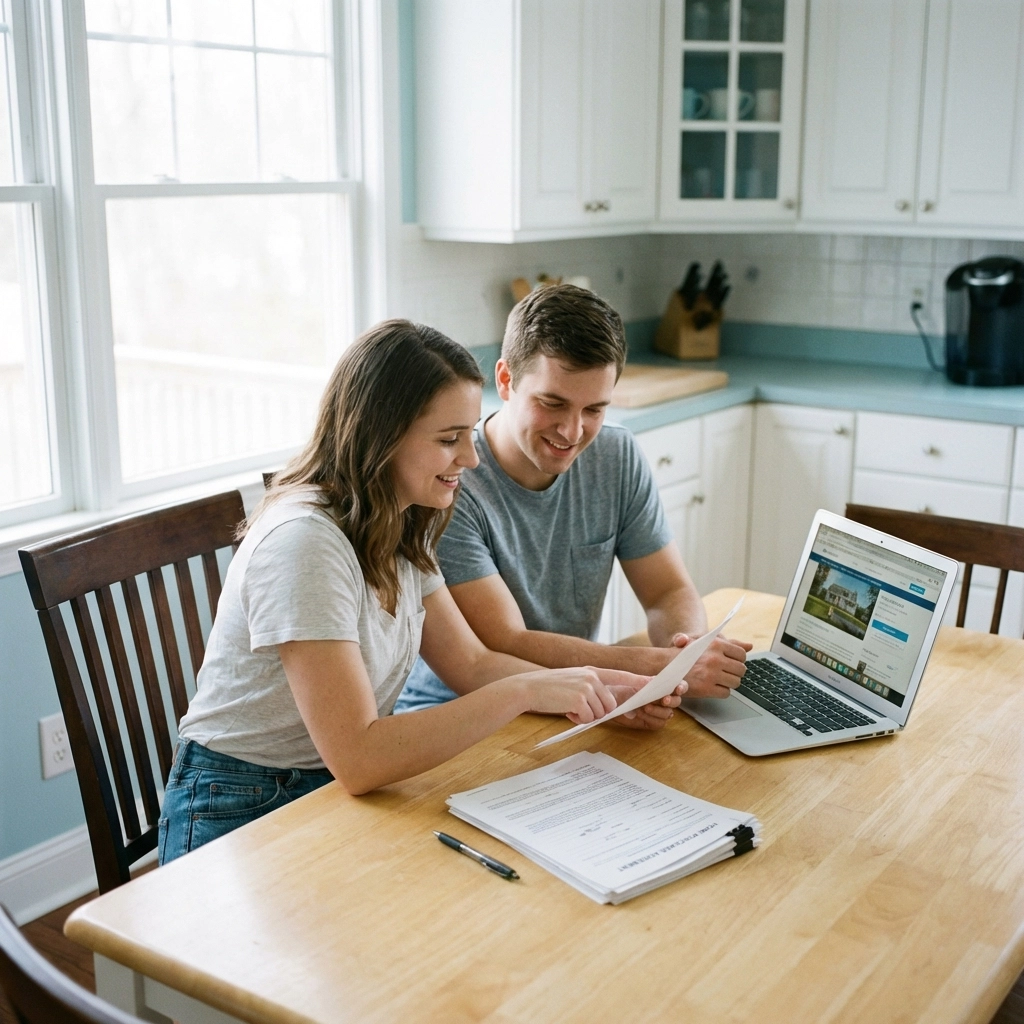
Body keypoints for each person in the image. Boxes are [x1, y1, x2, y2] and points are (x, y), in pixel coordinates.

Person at [159, 319, 668, 865]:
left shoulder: (400, 520)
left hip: (330, 789)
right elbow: (359, 758)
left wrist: (614, 690)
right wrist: (526, 692)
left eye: (469, 435)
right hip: (242, 804)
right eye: (449, 440)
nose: (470, 459)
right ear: (380, 436)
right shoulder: (304, 543)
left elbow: (471, 663)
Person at [395, 285, 750, 715]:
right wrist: (659, 668)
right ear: (506, 381)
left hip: (580, 698)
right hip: (464, 712)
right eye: (552, 403)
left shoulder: (616, 456)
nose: (572, 431)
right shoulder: (450, 480)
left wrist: (685, 649)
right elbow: (506, 640)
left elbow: (667, 590)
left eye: (594, 410)